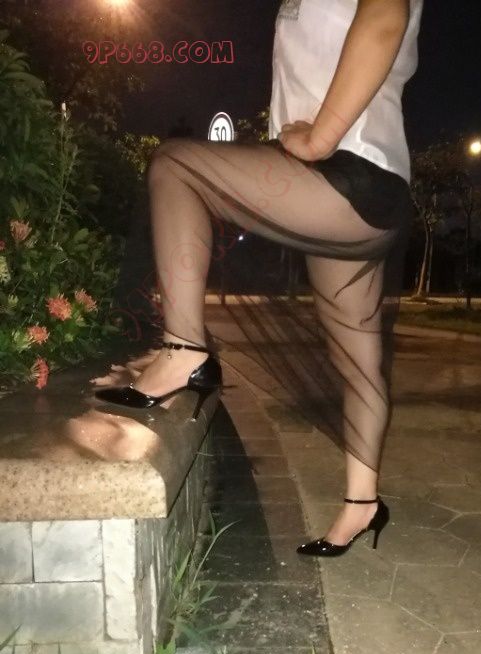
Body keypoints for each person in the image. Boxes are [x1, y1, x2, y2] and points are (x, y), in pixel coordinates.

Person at [95, 0, 424, 557]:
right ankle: (363, 504)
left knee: (175, 165)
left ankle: (184, 350)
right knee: (358, 362)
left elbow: (385, 18)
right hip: (359, 184)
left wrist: (319, 139)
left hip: (350, 171)